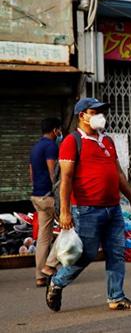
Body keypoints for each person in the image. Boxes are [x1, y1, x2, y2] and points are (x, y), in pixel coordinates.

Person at [47, 98, 131, 312]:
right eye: (95, 111)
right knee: (86, 254)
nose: (100, 115)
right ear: (82, 115)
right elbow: (66, 179)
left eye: (102, 111)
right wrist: (64, 211)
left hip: (113, 208)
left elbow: (118, 173)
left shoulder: (107, 140)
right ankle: (57, 282)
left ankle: (116, 297)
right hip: (86, 209)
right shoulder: (72, 141)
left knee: (116, 253)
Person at [29, 117, 63, 287]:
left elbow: (31, 173)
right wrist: (59, 196)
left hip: (37, 195)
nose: (59, 133)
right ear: (54, 130)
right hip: (49, 196)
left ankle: (39, 276)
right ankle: (50, 265)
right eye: (59, 130)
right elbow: (53, 173)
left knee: (43, 237)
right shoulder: (51, 146)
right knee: (71, 226)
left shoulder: (35, 147)